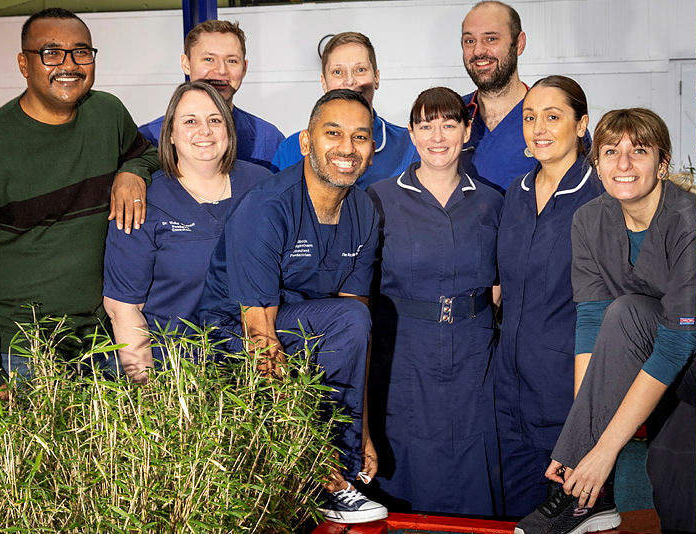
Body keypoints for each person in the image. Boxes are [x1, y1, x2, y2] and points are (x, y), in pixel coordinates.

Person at [0, 8, 158, 385]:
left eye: (81, 51)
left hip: (100, 342)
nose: (69, 64)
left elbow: (147, 154)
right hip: (23, 352)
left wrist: (131, 171)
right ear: (24, 64)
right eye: (52, 52)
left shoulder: (107, 114)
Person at [198, 89, 386, 524]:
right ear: (306, 142)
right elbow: (260, 338)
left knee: (355, 318)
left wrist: (362, 433)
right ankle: (329, 483)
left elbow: (356, 332)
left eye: (360, 137)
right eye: (333, 133)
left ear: (372, 149)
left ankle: (341, 475)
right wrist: (312, 454)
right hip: (233, 334)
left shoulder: (364, 210)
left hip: (303, 332)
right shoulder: (268, 207)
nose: (347, 148)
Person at [516, 108, 696, 534]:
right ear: (595, 163)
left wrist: (603, 450)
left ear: (663, 163)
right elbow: (592, 324)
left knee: (629, 310)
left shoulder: (689, 221)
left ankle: (586, 489)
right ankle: (588, 500)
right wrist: (583, 433)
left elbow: (676, 342)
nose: (624, 164)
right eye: (611, 151)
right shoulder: (590, 220)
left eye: (640, 151)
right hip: (650, 363)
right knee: (673, 483)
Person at [366, 87, 503, 515]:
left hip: (474, 347)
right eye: (426, 125)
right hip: (405, 348)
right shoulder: (379, 200)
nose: (437, 136)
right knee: (408, 451)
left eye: (449, 124)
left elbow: (502, 284)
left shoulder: (492, 202)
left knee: (472, 450)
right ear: (411, 132)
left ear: (466, 131)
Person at [103, 81, 271, 382]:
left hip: (250, 363)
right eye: (190, 121)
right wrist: (148, 394)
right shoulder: (143, 200)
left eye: (215, 120)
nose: (204, 131)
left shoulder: (261, 185)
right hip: (175, 371)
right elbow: (123, 309)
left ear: (228, 130)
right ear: (170, 134)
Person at [494, 75, 603, 516]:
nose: (539, 127)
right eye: (529, 117)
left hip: (567, 390)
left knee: (568, 518)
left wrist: (589, 413)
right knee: (515, 516)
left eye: (553, 117)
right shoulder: (515, 195)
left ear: (580, 125)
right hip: (509, 389)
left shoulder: (600, 196)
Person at [271, 32, 418, 189]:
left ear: (376, 77)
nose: (349, 81)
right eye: (337, 72)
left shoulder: (409, 145)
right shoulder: (291, 149)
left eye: (360, 70)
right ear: (324, 82)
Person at [139, 20, 284, 171]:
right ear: (186, 64)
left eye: (232, 60)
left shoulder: (269, 138)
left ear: (244, 68)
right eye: (209, 59)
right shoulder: (149, 138)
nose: (221, 70)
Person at [460, 1, 531, 191]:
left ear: (519, 43)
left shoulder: (555, 117)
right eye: (469, 41)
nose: (478, 51)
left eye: (491, 39)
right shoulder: (450, 116)